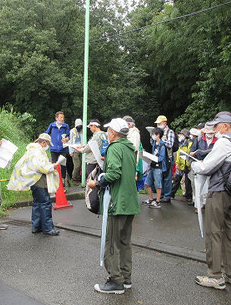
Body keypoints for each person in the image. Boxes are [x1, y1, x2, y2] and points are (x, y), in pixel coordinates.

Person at [191, 111, 231, 290]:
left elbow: (207, 166)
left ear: (226, 126)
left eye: (216, 126)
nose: (214, 129)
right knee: (230, 232)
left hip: (219, 192)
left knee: (214, 232)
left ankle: (215, 275)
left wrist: (195, 164)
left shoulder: (225, 143)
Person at [87, 118, 140, 294]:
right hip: (130, 201)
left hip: (117, 201)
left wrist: (98, 182)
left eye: (109, 130)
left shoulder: (114, 147)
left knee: (112, 242)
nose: (107, 132)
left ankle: (115, 281)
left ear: (113, 133)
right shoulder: (129, 147)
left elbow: (115, 173)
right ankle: (126, 278)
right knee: (125, 241)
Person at [7, 133, 60, 236]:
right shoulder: (37, 151)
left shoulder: (32, 150)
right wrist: (52, 166)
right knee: (45, 203)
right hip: (38, 180)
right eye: (48, 144)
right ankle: (48, 228)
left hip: (33, 181)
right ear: (44, 142)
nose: (48, 147)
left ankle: (36, 227)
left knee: (37, 203)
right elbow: (40, 167)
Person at [142, 127, 167, 208]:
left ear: (158, 135)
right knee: (147, 183)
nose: (152, 136)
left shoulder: (162, 145)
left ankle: (157, 201)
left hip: (158, 167)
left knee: (158, 185)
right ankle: (150, 199)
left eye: (153, 134)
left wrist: (153, 159)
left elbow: (161, 158)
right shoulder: (154, 144)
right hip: (152, 166)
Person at [45, 111, 70, 184]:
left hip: (63, 149)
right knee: (54, 165)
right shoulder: (52, 125)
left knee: (63, 166)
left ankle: (62, 182)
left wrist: (67, 139)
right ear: (56, 118)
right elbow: (46, 133)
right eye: (60, 117)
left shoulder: (66, 126)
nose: (62, 119)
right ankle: (54, 182)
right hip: (53, 149)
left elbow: (69, 136)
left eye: (63, 117)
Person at [155, 115, 175, 203]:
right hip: (159, 157)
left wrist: (161, 141)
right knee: (160, 176)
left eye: (159, 123)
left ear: (165, 123)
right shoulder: (157, 132)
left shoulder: (170, 132)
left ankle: (167, 196)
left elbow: (170, 144)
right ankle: (161, 195)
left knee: (167, 177)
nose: (158, 125)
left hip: (168, 158)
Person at [171, 129, 193, 203]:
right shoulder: (180, 143)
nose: (179, 136)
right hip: (180, 164)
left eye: (181, 134)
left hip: (187, 165)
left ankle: (188, 196)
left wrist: (187, 164)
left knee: (187, 182)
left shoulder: (189, 144)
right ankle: (172, 194)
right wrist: (177, 162)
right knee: (176, 180)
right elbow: (178, 154)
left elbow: (188, 154)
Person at [69, 118, 84, 184]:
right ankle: (74, 178)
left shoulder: (83, 131)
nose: (79, 127)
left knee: (81, 165)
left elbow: (83, 140)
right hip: (74, 150)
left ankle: (79, 178)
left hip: (82, 150)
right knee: (77, 165)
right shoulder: (72, 131)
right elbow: (70, 141)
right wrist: (71, 151)